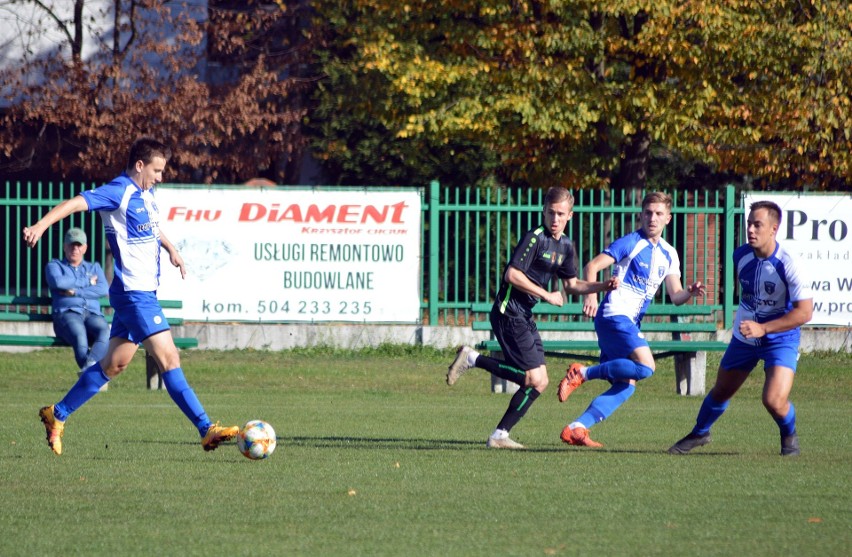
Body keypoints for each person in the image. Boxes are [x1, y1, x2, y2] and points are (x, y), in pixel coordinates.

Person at [24, 137, 238, 456]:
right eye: (157, 170)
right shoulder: (119, 191)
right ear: (140, 165)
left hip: (140, 294)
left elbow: (152, 227)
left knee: (115, 364)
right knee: (169, 358)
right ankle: (206, 429)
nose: (160, 177)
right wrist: (41, 226)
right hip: (134, 295)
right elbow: (77, 202)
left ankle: (57, 414)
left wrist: (172, 249)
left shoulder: (147, 195)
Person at [446, 186, 618, 449]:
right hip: (508, 312)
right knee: (534, 379)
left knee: (541, 381)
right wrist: (547, 295)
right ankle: (476, 368)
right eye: (551, 212)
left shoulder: (566, 246)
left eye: (561, 214)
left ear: (570, 215)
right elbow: (512, 275)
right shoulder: (535, 238)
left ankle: (499, 433)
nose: (555, 218)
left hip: (523, 315)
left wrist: (601, 286)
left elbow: (572, 285)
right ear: (544, 211)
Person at [556, 191, 706, 448]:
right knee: (647, 367)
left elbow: (676, 296)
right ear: (641, 215)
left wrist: (689, 292)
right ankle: (582, 373)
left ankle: (577, 428)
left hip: (627, 323)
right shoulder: (631, 242)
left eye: (659, 214)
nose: (652, 218)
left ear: (668, 218)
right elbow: (592, 266)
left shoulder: (670, 254)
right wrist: (591, 296)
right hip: (614, 314)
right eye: (648, 213)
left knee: (627, 385)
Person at [669, 200, 812, 456]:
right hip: (745, 337)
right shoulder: (741, 255)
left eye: (758, 225)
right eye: (749, 224)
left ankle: (789, 434)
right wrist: (752, 327)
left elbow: (805, 312)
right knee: (722, 389)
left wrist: (764, 328)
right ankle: (700, 432)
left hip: (780, 338)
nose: (751, 230)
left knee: (773, 400)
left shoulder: (789, 264)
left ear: (774, 229)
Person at [46, 227, 110, 389]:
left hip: (92, 314)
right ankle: (94, 378)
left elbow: (103, 289)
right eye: (71, 245)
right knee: (80, 337)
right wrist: (88, 282)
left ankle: (89, 373)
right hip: (67, 315)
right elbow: (59, 283)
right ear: (64, 246)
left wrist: (75, 291)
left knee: (105, 331)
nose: (75, 249)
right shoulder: (55, 266)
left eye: (78, 245)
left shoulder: (94, 267)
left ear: (85, 248)